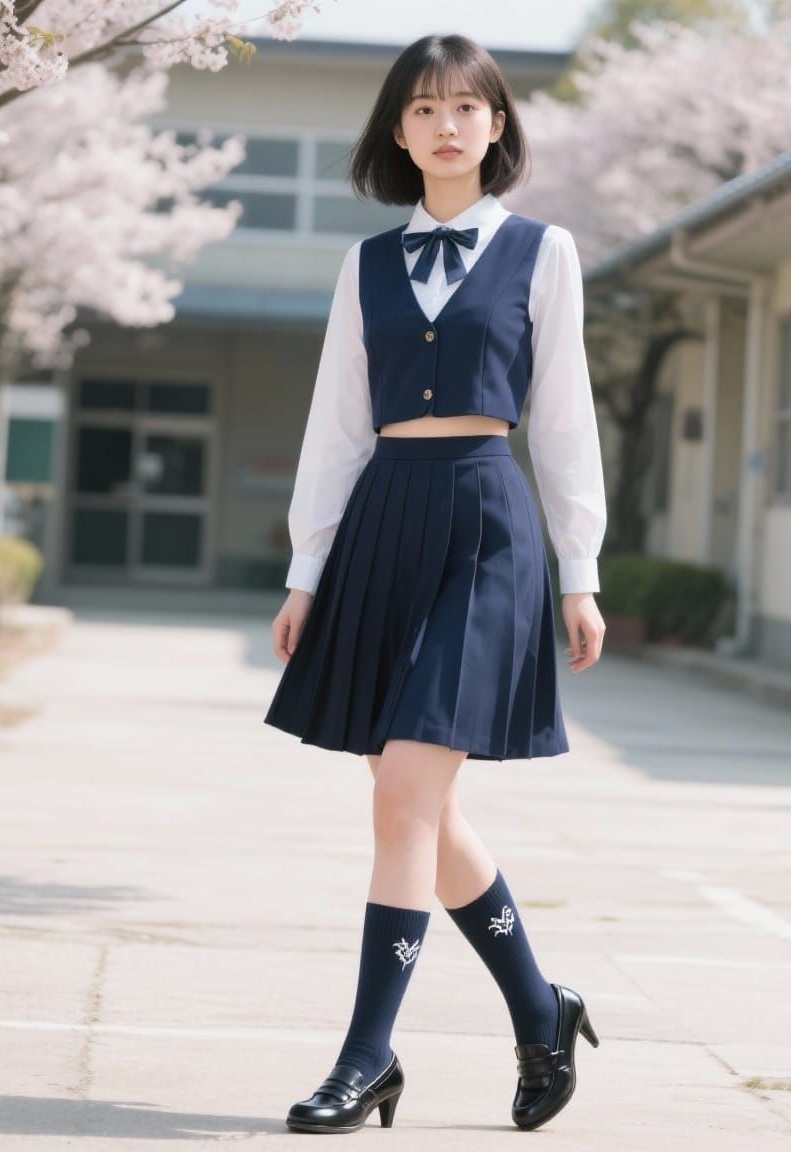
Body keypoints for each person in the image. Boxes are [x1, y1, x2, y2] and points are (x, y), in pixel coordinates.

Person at [263, 32, 607, 1134]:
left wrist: (581, 573)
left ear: (498, 126)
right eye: (423, 109)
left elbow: (562, 422)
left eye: (468, 107)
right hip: (383, 523)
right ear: (398, 131)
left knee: (404, 791)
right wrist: (306, 570)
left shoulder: (542, 253)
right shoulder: (363, 264)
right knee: (423, 801)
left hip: (486, 525)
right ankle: (541, 1010)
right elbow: (334, 426)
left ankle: (365, 1056)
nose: (447, 124)